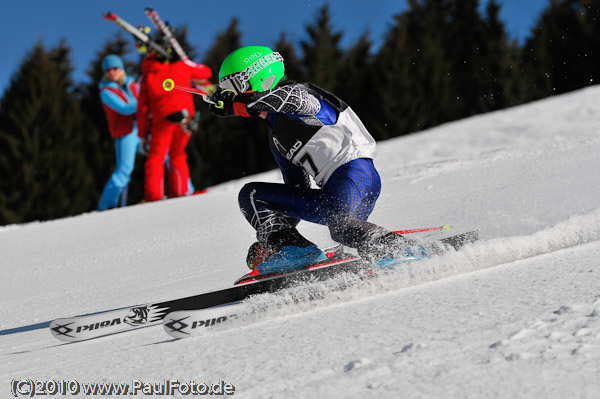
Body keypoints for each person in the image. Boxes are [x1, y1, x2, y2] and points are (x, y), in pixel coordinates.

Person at [209, 46, 418, 275]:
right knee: (252, 194)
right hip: (329, 197)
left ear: (258, 77)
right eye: (227, 91)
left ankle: (398, 250)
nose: (231, 95)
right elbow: (297, 189)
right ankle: (295, 250)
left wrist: (241, 104)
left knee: (341, 227)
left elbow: (297, 103)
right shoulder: (277, 137)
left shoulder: (302, 94)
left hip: (355, 174)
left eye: (233, 88)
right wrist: (272, 239)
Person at [137, 43, 212, 202]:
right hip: (186, 120)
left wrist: (143, 134)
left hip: (162, 121)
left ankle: (154, 196)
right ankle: (181, 191)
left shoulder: (148, 74)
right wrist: (187, 61)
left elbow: (143, 107)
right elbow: (205, 73)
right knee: (178, 154)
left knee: (156, 158)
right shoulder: (182, 66)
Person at [98, 54, 140, 211]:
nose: (112, 72)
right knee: (124, 169)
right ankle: (107, 206)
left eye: (115, 68)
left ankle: (183, 190)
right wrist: (145, 102)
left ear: (121, 69)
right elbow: (124, 108)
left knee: (163, 154)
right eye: (108, 70)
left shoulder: (132, 84)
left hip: (141, 128)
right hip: (126, 132)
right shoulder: (106, 91)